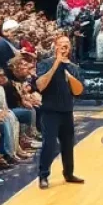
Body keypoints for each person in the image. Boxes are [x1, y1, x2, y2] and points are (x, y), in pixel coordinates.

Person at [34, 35, 85, 190]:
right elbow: (40, 86)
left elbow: (78, 91)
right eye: (61, 44)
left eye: (67, 44)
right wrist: (56, 63)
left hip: (67, 111)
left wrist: (69, 76)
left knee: (68, 145)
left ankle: (68, 173)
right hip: (50, 111)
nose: (64, 47)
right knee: (49, 145)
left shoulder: (74, 68)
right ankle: (43, 175)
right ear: (55, 46)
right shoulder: (45, 64)